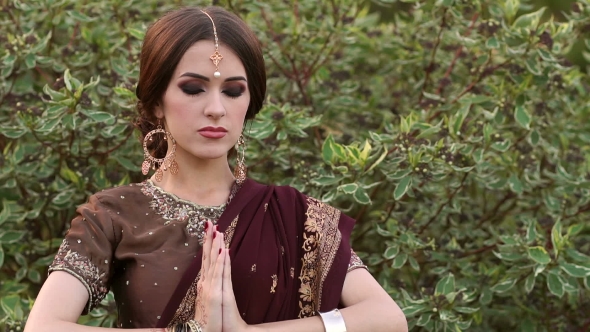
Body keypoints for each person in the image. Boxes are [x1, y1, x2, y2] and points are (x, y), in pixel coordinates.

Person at [24, 6, 408, 332]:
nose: (216, 109)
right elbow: (42, 326)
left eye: (233, 91)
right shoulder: (114, 215)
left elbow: (387, 318)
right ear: (157, 100)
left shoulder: (295, 217)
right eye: (193, 88)